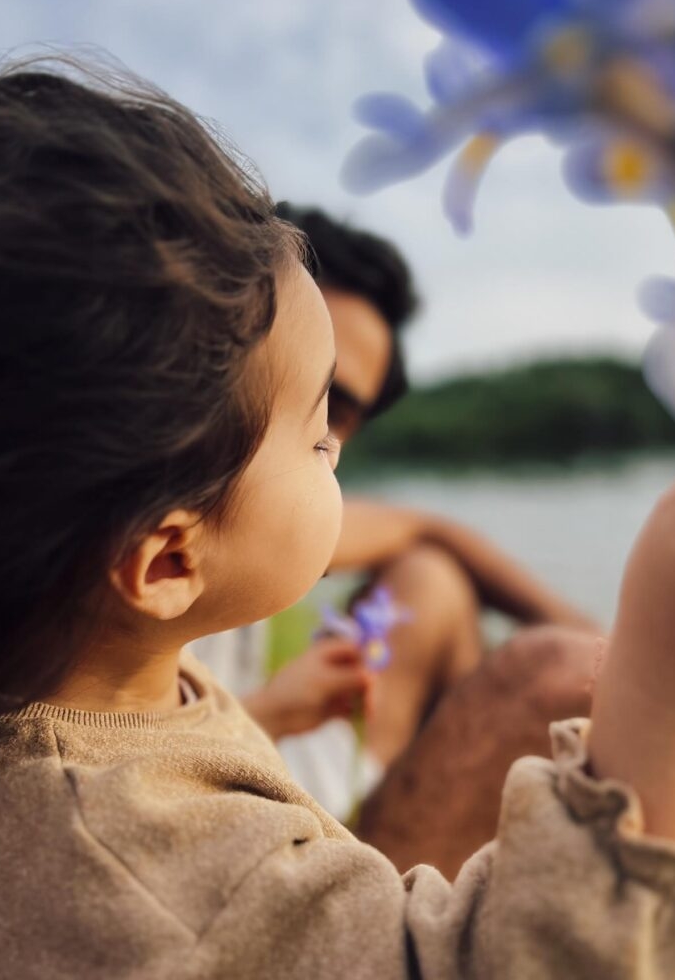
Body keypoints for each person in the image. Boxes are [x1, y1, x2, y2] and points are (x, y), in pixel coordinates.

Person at [0, 61, 675, 980]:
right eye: (316, 432)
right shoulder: (147, 873)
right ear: (169, 562)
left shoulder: (48, 709)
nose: (339, 451)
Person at [194, 205, 600, 869]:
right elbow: (113, 761)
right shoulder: (166, 505)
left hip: (246, 746)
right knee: (555, 674)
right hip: (218, 818)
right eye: (312, 390)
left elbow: (429, 527)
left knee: (432, 581)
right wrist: (270, 709)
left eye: (343, 411)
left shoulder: (266, 503)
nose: (326, 435)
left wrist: (606, 645)